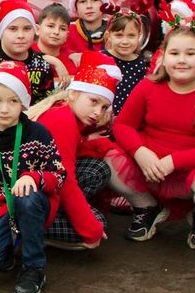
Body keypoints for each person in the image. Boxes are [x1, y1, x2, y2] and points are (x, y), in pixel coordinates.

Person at [0, 62, 102, 293]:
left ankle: (34, 267)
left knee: (26, 197)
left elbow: (59, 175)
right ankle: (6, 251)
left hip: (33, 204)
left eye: (13, 101)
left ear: (24, 103)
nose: (4, 108)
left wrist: (35, 177)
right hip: (0, 210)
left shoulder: (38, 134)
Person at [112, 24, 195, 251]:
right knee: (104, 158)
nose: (181, 60)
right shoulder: (148, 86)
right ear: (164, 57)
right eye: (174, 53)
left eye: (190, 53)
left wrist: (175, 161)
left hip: (193, 170)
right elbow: (122, 125)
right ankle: (147, 207)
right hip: (150, 166)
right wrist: (139, 152)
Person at [28, 53, 126, 249]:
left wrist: (95, 146)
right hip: (22, 199)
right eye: (94, 101)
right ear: (73, 93)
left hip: (35, 185)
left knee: (97, 169)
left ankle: (55, 215)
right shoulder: (62, 120)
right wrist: (90, 229)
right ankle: (27, 232)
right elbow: (66, 179)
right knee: (98, 222)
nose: (98, 112)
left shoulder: (63, 110)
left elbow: (63, 156)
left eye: (104, 107)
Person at [0, 0, 56, 103]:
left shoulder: (43, 67)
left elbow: (46, 106)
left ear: (35, 30)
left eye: (27, 29)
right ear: (1, 31)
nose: (21, 35)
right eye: (13, 29)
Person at [104, 12, 150, 115]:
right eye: (119, 35)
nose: (125, 41)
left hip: (129, 117)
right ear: (109, 36)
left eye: (131, 36)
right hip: (101, 117)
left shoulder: (140, 65)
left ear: (139, 36)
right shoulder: (101, 59)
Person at [63, 0, 111, 64]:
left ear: (104, 4)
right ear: (76, 7)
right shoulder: (66, 31)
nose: (89, 6)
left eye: (95, 0)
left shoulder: (114, 30)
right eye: (83, 2)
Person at [32, 3, 73, 89]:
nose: (56, 32)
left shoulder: (73, 61)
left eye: (62, 29)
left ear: (67, 35)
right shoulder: (25, 52)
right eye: (51, 26)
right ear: (37, 29)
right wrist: (55, 62)